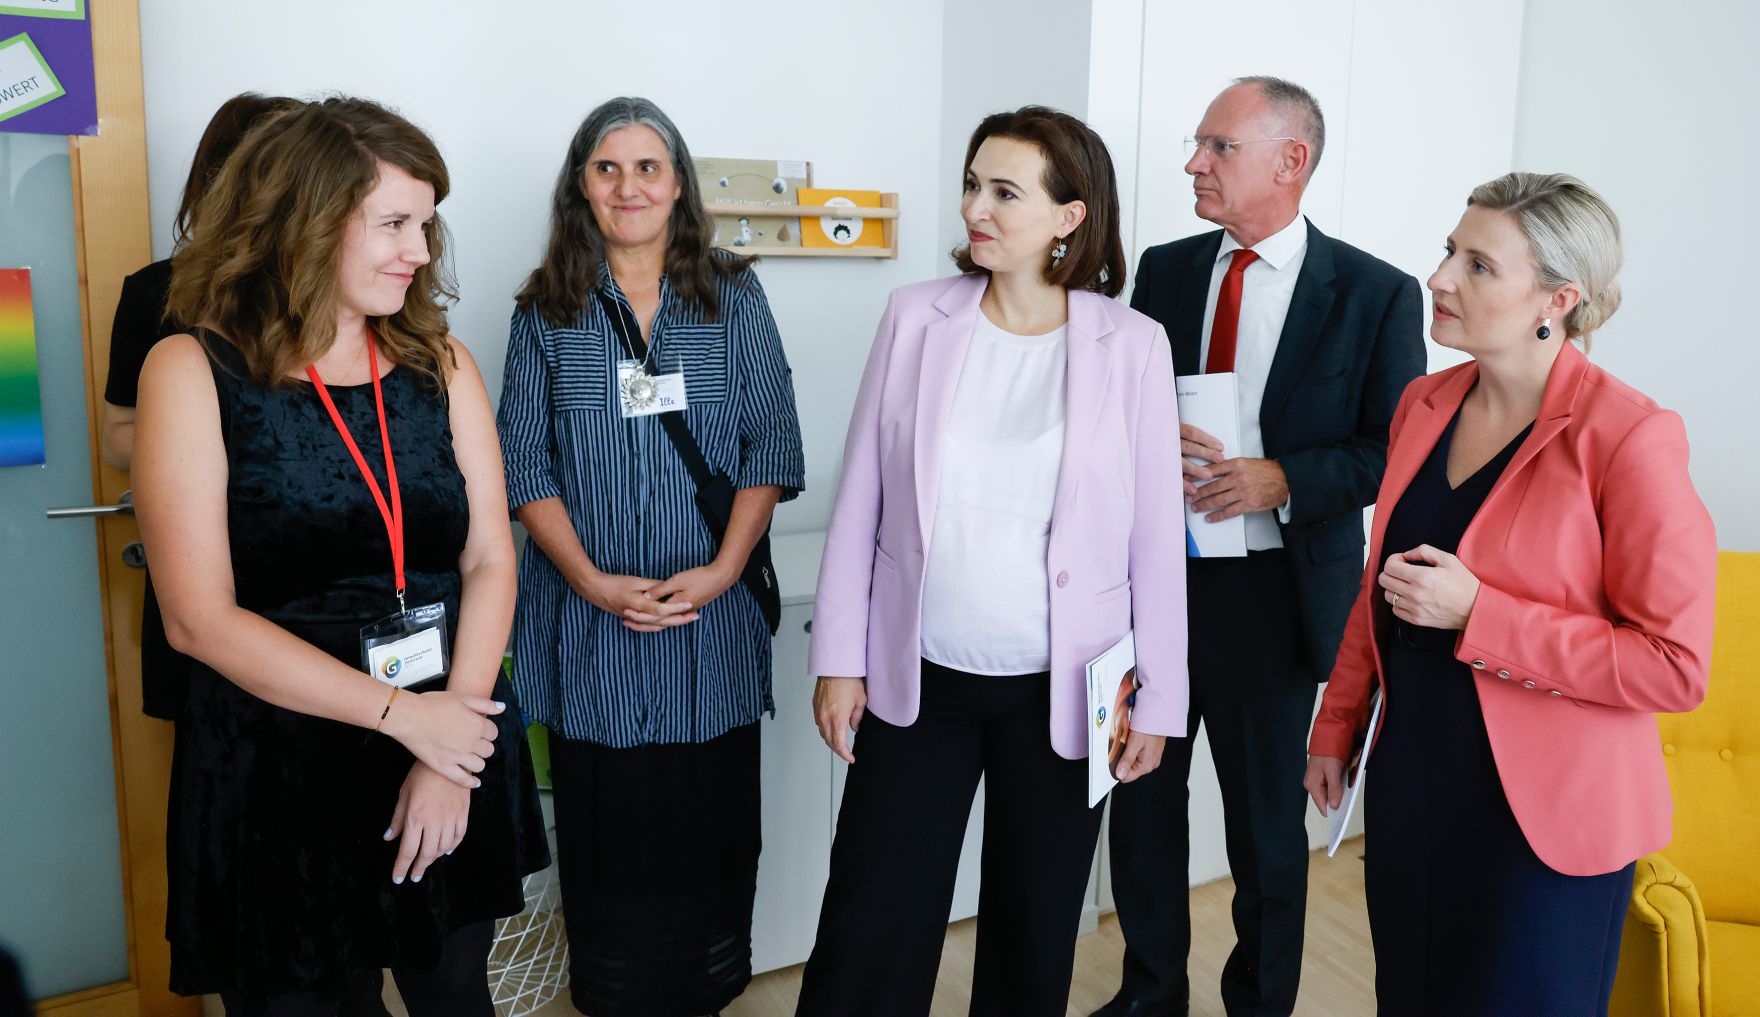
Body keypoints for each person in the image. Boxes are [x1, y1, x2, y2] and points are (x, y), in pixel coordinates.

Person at [133, 96, 549, 1017]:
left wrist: (446, 748)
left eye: (427, 225)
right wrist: (408, 717)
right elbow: (198, 618)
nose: (419, 251)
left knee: (455, 996)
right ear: (303, 220)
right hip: (282, 765)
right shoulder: (194, 369)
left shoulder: (443, 362)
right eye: (394, 223)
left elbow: (488, 558)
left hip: (450, 733)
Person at [796, 106, 1187, 1017]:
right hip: (917, 677)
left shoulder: (1130, 345)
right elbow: (863, 499)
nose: (977, 206)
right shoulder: (915, 317)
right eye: (973, 184)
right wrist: (839, 657)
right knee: (872, 921)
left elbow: (1155, 543)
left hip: (1064, 688)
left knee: (1033, 929)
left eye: (1005, 191)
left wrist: (1160, 700)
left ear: (1068, 216)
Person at [1303, 172, 1715, 1017]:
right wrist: (1337, 721)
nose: (1441, 278)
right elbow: (1381, 581)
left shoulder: (1630, 436)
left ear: (1557, 300)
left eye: (1479, 265)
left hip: (1549, 824)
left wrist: (1481, 614)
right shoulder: (1425, 401)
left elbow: (1673, 666)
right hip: (1416, 779)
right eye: (1449, 251)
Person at [1098, 77, 1426, 1017]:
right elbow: (1119, 409)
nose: (1193, 164)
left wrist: (1284, 478)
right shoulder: (1162, 268)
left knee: (1265, 837)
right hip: (1155, 586)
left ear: (1293, 161)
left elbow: (1389, 451)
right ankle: (1148, 995)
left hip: (1276, 599)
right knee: (1143, 811)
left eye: (1218, 147)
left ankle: (1262, 1004)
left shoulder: (1374, 293)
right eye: (1198, 145)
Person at [497, 95, 804, 1017]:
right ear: (579, 185)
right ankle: (617, 991)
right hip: (589, 628)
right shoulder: (544, 308)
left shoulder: (733, 291)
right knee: (613, 829)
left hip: (711, 619)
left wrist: (718, 570)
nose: (628, 187)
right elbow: (520, 459)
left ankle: (706, 987)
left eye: (648, 167)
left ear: (678, 185)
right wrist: (589, 580)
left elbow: (772, 445)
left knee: (707, 822)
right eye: (607, 168)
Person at [100, 91, 292, 722]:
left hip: (313, 563)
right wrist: (203, 449)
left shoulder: (342, 289)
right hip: (202, 563)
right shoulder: (157, 291)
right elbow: (117, 435)